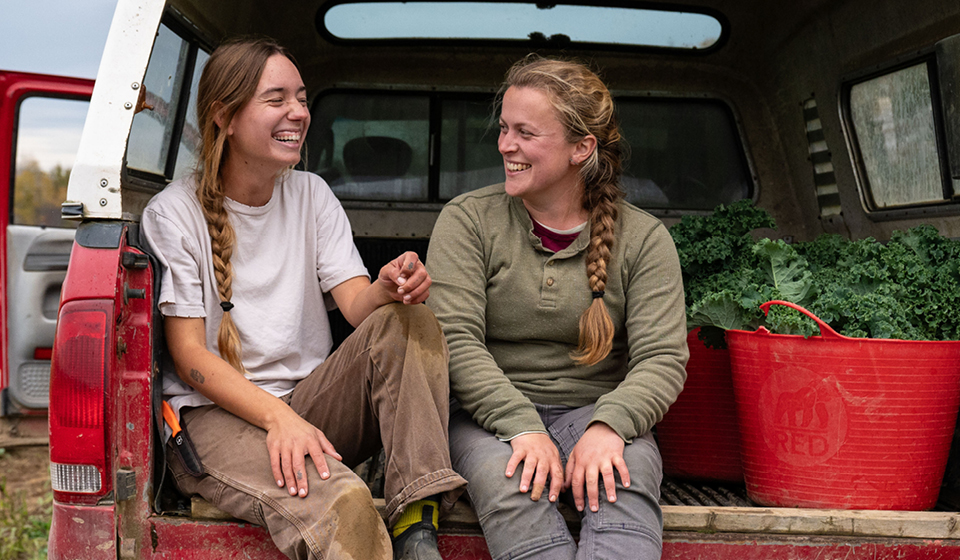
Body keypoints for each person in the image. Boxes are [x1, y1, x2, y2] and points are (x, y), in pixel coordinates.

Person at [141, 37, 465, 560]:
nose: (298, 112)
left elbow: (359, 308)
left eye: (302, 97)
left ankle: (415, 521)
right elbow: (189, 356)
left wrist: (388, 287)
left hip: (309, 404)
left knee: (413, 322)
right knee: (346, 503)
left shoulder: (312, 194)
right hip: (214, 417)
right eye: (277, 100)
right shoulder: (173, 213)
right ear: (224, 115)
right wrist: (278, 419)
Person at [426, 55, 688, 560]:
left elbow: (662, 359)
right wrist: (521, 426)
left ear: (581, 148)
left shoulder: (645, 239)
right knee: (513, 488)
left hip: (597, 409)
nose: (505, 145)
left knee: (621, 484)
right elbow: (453, 341)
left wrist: (609, 427)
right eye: (503, 128)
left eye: (526, 132)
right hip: (486, 419)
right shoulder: (469, 221)